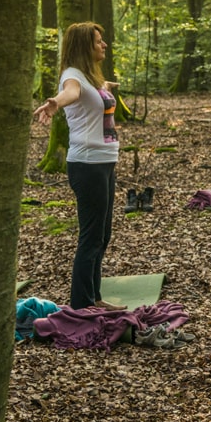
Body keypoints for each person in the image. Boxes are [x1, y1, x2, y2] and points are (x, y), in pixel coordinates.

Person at [34, 22, 126, 311]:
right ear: (84, 46)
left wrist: (106, 87)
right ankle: (81, 305)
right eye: (99, 41)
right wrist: (55, 103)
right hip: (87, 165)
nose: (104, 45)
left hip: (104, 163)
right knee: (91, 237)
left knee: (103, 235)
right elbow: (71, 93)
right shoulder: (72, 77)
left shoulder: (89, 77)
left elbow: (90, 94)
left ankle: (94, 297)